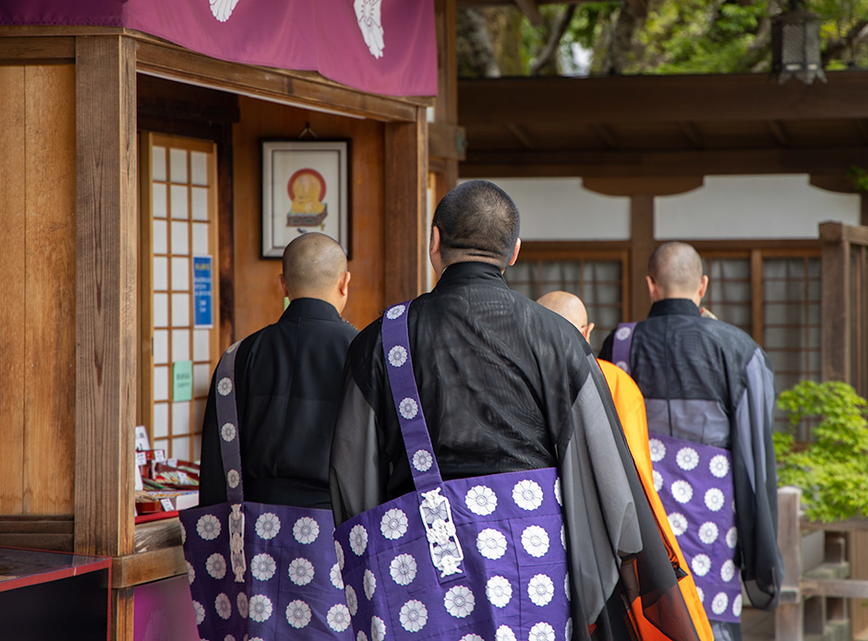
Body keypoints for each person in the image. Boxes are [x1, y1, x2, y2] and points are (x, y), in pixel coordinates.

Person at [330, 181, 701, 641]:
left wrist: (374, 562)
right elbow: (606, 472)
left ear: (434, 242)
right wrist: (609, 564)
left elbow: (351, 478)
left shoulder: (381, 340)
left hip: (418, 560)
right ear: (514, 252)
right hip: (539, 561)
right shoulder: (559, 338)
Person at [600, 242, 783, 641]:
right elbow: (755, 456)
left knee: (647, 621)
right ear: (703, 285)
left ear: (651, 285)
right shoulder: (737, 348)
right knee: (709, 626)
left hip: (645, 527)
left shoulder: (620, 344)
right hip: (713, 524)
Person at [536, 291, 713, 641]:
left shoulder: (519, 377)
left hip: (536, 528)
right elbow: (637, 477)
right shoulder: (613, 380)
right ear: (586, 332)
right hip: (601, 528)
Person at [198, 231, 355, 508]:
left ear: (283, 285)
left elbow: (217, 456)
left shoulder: (238, 356)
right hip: (337, 526)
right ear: (344, 283)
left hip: (253, 527)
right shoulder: (363, 352)